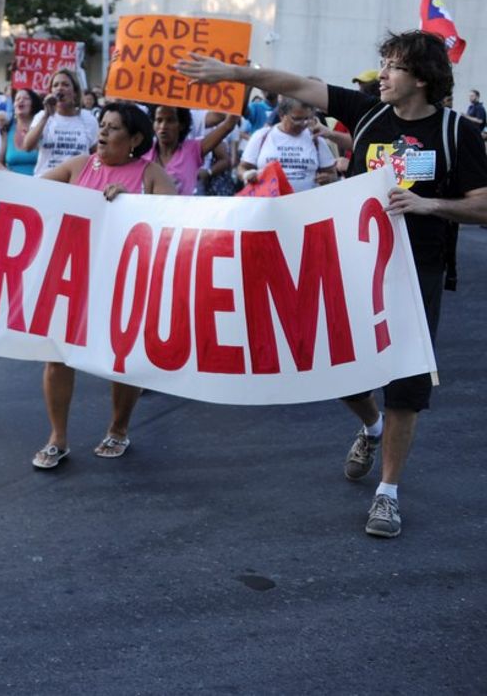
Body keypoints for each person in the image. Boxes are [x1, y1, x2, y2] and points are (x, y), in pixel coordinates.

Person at [177, 31, 487, 538]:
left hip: (417, 273)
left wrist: (432, 205)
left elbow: (483, 203)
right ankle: (371, 426)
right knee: (334, 364)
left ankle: (387, 493)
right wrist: (235, 73)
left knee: (406, 383)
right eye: (382, 62)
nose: (381, 74)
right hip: (351, 262)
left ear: (423, 78)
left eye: (393, 66)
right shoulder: (366, 113)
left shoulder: (457, 132)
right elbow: (298, 82)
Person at [29, 103, 176, 469]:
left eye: (113, 128)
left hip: (126, 282)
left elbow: (174, 222)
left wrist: (133, 205)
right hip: (75, 276)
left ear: (136, 139)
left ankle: (118, 429)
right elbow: (25, 192)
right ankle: (57, 438)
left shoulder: (151, 175)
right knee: (58, 356)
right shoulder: (78, 166)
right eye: (102, 126)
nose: (103, 134)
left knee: (120, 360)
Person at [238, 96, 338, 191]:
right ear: (282, 115)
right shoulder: (262, 136)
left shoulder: (316, 139)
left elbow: (332, 173)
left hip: (307, 203)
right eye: (297, 119)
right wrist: (247, 175)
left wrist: (328, 179)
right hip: (270, 202)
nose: (303, 124)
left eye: (307, 119)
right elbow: (242, 168)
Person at [145, 105, 239, 195]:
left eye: (170, 121)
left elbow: (228, 125)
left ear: (181, 125)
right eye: (159, 120)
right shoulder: (144, 151)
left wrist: (245, 90)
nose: (163, 126)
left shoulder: (193, 150)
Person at [22, 68, 100, 177]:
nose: (60, 88)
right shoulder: (41, 116)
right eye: (55, 85)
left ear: (75, 92)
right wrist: (46, 116)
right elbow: (27, 146)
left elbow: (96, 155)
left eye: (65, 85)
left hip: (77, 184)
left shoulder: (88, 119)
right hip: (46, 181)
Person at [0, 88, 40, 175]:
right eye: (17, 99)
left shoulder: (43, 127)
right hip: (12, 184)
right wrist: (8, 174)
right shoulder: (6, 130)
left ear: (34, 104)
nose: (21, 101)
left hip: (41, 183)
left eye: (26, 98)